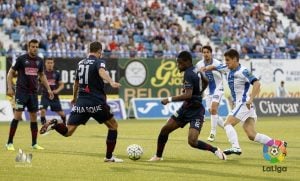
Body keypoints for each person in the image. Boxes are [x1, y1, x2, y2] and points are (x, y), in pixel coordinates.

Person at [40, 41, 123, 163]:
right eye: (102, 52)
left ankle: (55, 124)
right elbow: (101, 71)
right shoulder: (99, 61)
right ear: (99, 51)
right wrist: (111, 81)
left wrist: (74, 98)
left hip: (81, 102)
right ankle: (109, 157)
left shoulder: (81, 63)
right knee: (113, 126)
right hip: (96, 102)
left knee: (68, 132)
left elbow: (76, 83)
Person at [204, 49, 287, 156]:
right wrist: (206, 67)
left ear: (235, 59)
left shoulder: (243, 71)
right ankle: (279, 144)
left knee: (227, 124)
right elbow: (216, 67)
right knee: (251, 135)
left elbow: (257, 84)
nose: (226, 62)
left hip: (243, 103)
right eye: (225, 60)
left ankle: (235, 147)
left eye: (228, 60)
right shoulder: (227, 68)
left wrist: (251, 99)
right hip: (246, 106)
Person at [148, 51, 227, 161]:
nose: (178, 66)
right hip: (185, 109)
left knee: (192, 141)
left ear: (186, 62)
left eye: (179, 63)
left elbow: (188, 94)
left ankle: (215, 150)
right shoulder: (195, 70)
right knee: (165, 130)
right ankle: (158, 156)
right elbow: (205, 82)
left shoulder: (189, 73)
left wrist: (169, 99)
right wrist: (199, 93)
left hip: (196, 111)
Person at [6, 39, 54, 151]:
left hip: (33, 93)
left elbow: (42, 75)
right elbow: (10, 73)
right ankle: (9, 143)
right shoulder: (21, 59)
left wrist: (49, 89)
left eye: (36, 47)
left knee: (33, 117)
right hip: (21, 92)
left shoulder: (40, 61)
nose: (35, 48)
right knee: (17, 116)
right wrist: (9, 87)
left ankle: (34, 144)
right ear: (28, 47)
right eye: (32, 46)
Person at [195, 45, 224, 142]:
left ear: (211, 53)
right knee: (211, 111)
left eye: (208, 52)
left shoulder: (217, 63)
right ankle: (227, 126)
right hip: (208, 91)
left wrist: (214, 68)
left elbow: (225, 70)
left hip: (218, 89)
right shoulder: (199, 64)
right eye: (204, 52)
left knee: (213, 109)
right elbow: (197, 76)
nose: (206, 54)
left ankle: (212, 133)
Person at [39, 58, 66, 125]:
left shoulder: (56, 73)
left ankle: (65, 124)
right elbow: (37, 82)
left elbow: (62, 85)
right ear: (45, 64)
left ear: (53, 64)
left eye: (51, 63)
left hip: (54, 96)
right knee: (42, 111)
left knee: (62, 114)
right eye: (48, 63)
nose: (50, 64)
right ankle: (44, 126)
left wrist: (57, 90)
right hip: (45, 95)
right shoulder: (42, 73)